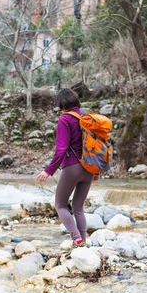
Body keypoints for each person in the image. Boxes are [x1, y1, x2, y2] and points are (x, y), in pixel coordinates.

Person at [36, 88, 99, 247]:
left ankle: (76, 237)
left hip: (72, 167)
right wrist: (96, 171)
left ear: (61, 104)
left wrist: (48, 170)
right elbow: (96, 146)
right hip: (89, 168)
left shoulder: (65, 119)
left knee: (60, 205)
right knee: (78, 208)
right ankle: (82, 243)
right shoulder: (86, 118)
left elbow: (61, 149)